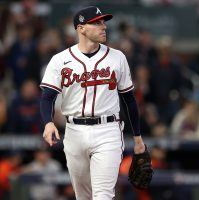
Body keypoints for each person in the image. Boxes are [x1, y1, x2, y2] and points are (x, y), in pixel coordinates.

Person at [40, 6, 146, 200]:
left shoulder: (117, 58)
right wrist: (48, 122)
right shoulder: (60, 60)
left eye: (103, 22)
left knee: (103, 195)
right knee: (83, 196)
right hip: (74, 131)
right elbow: (47, 97)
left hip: (108, 130)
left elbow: (129, 99)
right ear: (81, 28)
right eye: (96, 23)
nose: (103, 26)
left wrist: (138, 138)